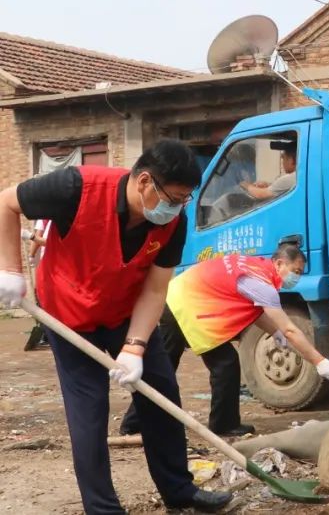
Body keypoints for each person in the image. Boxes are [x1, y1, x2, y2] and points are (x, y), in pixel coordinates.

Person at [0, 140, 232, 514]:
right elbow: (6, 202)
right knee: (89, 411)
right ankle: (103, 509)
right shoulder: (74, 187)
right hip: (68, 314)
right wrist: (9, 270)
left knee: (162, 396)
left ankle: (180, 491)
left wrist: (136, 345)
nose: (177, 208)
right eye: (173, 198)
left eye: (185, 200)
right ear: (144, 181)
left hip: (126, 312)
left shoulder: (174, 221)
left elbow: (157, 287)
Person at [120, 243, 329, 437]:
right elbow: (291, 329)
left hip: (180, 299)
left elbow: (258, 313)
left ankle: (134, 423)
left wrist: (275, 333)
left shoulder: (257, 267)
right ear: (280, 263)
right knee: (223, 364)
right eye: (296, 271)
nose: (296, 277)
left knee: (170, 366)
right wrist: (319, 361)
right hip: (185, 306)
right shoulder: (262, 283)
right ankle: (223, 425)